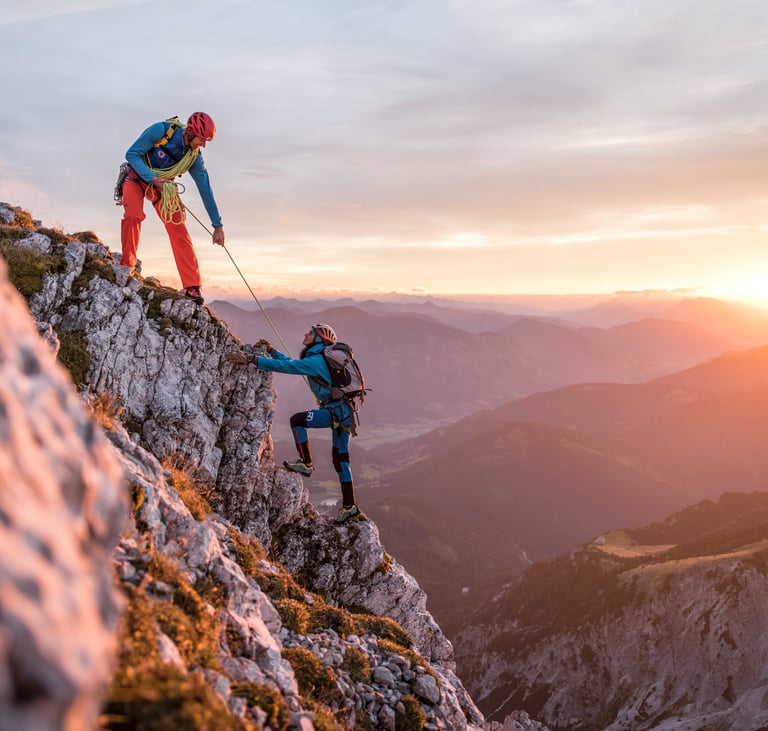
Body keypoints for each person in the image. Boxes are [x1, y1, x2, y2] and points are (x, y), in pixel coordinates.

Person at [254, 323, 363, 525]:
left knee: (297, 420)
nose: (305, 334)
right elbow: (294, 364)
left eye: (310, 333)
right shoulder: (319, 359)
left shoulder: (316, 360)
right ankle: (350, 507)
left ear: (319, 338)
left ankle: (306, 463)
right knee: (341, 460)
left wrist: (256, 361)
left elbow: (289, 367)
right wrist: (273, 352)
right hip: (345, 414)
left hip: (334, 412)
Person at [119, 112, 225, 305]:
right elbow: (132, 154)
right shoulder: (161, 131)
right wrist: (152, 178)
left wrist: (217, 225)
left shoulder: (194, 158)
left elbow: (205, 190)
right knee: (133, 215)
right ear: (191, 132)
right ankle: (127, 266)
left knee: (178, 228)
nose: (203, 145)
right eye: (202, 139)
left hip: (163, 187)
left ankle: (192, 287)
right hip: (137, 178)